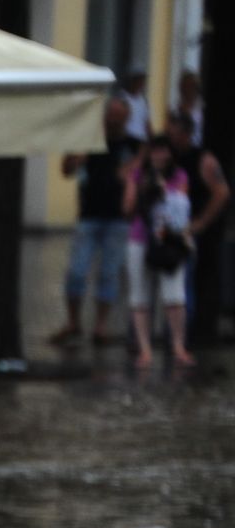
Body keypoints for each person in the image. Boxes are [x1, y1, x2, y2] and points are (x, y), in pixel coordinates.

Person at [51, 98, 139, 347]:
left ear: (126, 118)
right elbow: (66, 170)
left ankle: (100, 327)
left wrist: (132, 176)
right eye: (109, 114)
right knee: (77, 271)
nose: (111, 120)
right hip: (88, 215)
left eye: (117, 116)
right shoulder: (88, 140)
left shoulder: (133, 146)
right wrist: (76, 157)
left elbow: (143, 174)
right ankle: (73, 322)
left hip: (117, 219)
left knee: (108, 274)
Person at [123, 135, 194, 368]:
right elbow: (127, 207)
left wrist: (164, 193)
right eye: (155, 151)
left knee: (174, 295)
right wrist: (143, 190)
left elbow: (180, 208)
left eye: (163, 150)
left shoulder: (179, 175)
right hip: (140, 238)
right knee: (139, 295)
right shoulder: (138, 174)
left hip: (169, 241)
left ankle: (178, 347)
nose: (159, 156)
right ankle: (145, 349)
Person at [165, 112, 229, 345]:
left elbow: (222, 193)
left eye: (175, 134)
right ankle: (174, 333)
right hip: (168, 228)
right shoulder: (168, 156)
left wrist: (200, 222)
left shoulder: (203, 159)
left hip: (190, 230)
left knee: (185, 282)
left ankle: (184, 335)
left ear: (187, 135)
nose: (171, 139)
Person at [175, 70, 205, 147]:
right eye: (183, 87)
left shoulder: (201, 110)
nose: (185, 90)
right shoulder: (176, 109)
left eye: (189, 86)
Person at [122, 68, 151, 142]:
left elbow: (146, 121)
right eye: (138, 80)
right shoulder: (122, 97)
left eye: (142, 81)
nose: (141, 84)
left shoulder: (143, 100)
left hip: (141, 139)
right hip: (127, 138)